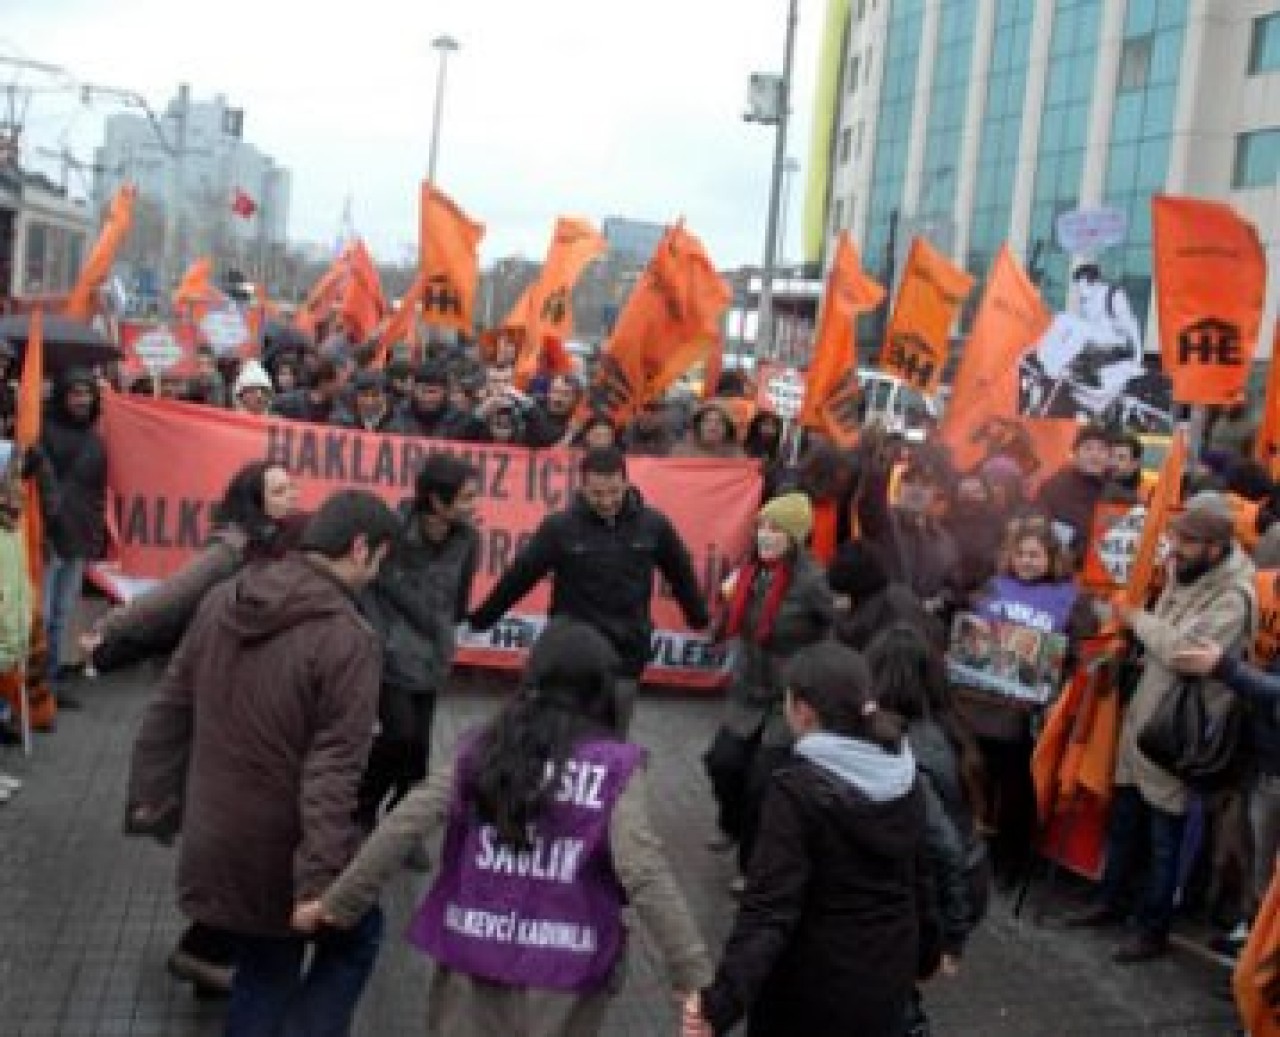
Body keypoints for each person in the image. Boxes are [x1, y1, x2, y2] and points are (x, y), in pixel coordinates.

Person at [297, 619, 713, 1037]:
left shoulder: (483, 749)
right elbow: (643, 868)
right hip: (566, 969)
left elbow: (404, 823)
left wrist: (339, 903)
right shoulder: (615, 768)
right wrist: (691, 973)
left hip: (472, 950)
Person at [126, 490, 400, 1036]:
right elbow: (333, 772)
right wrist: (318, 883)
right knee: (354, 939)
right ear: (360, 547)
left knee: (262, 968)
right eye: (381, 559)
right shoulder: (349, 639)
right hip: (283, 851)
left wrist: (151, 801)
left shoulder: (224, 598)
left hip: (215, 834)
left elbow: (170, 706)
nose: (378, 574)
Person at [684, 641, 940, 1037]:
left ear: (802, 710)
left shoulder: (796, 791)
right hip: (886, 978)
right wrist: (929, 952)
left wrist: (719, 1005)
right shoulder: (902, 772)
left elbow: (768, 912)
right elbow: (920, 875)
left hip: (810, 990)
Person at [1070, 493, 1256, 962]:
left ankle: (1152, 928)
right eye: (1176, 540)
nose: (1176, 551)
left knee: (1163, 833)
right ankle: (1111, 899)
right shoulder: (1183, 569)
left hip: (1177, 731)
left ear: (1215, 547)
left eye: (1187, 543)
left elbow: (1184, 653)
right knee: (1125, 816)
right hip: (1144, 713)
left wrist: (1136, 619)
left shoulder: (1234, 598)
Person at [469, 447, 710, 733]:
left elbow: (681, 573)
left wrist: (697, 616)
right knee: (560, 734)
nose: (606, 501)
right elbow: (519, 577)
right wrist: (483, 618)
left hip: (626, 652)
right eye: (597, 494)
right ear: (582, 487)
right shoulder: (559, 527)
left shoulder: (653, 524)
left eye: (614, 492)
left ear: (626, 483)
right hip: (572, 655)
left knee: (611, 738)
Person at [956, 515, 1096, 883]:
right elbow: (969, 633)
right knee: (976, 778)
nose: (1026, 562)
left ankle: (1011, 860)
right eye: (1020, 554)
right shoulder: (992, 587)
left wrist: (1060, 689)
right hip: (981, 704)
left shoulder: (1071, 598)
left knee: (1018, 788)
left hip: (1028, 714)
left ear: (1052, 557)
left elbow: (1080, 652)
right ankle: (973, 849)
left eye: (1034, 555)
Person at [704, 493, 833, 873]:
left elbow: (833, 629)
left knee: (764, 782)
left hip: (787, 698)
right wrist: (720, 620)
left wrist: (816, 674)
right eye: (761, 526)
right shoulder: (750, 571)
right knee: (722, 762)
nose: (765, 535)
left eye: (775, 528)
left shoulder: (812, 580)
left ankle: (751, 867)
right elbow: (730, 614)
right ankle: (731, 822)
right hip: (748, 690)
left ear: (794, 536)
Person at [82, 461, 303, 673]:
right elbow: (174, 593)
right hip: (220, 662)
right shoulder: (231, 549)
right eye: (279, 492)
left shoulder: (288, 538)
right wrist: (109, 627)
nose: (291, 496)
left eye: (291, 487)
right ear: (255, 502)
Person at [357, 454, 479, 828]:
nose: (473, 506)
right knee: (399, 735)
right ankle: (362, 807)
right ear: (438, 501)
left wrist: (445, 635)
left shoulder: (468, 540)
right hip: (389, 655)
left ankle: (401, 823)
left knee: (418, 753)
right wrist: (378, 634)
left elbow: (459, 601)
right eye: (466, 498)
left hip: (431, 658)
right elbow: (365, 584)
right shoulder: (390, 532)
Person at [1172, 637, 1280, 957]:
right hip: (1259, 764)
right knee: (1252, 862)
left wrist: (1229, 669)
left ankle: (1259, 955)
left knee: (1265, 870)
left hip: (1274, 775)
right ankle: (1251, 938)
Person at [41, 368, 107, 706]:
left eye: (87, 393)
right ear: (62, 397)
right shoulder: (44, 432)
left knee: (62, 614)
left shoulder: (95, 438)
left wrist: (94, 534)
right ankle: (35, 685)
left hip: (78, 537)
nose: (82, 400)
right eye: (75, 393)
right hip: (49, 537)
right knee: (42, 615)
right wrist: (47, 529)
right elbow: (41, 488)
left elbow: (96, 492)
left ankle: (51, 681)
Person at [857, 436, 959, 616]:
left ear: (935, 492)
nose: (916, 489)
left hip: (918, 627)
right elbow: (870, 501)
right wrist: (881, 467)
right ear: (899, 485)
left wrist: (937, 603)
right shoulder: (884, 522)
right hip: (878, 622)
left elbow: (950, 587)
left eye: (925, 483)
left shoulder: (946, 542)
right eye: (909, 480)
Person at [1034, 423, 1113, 564]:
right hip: (1060, 567)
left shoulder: (1119, 495)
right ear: (1075, 453)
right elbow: (1039, 529)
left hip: (1103, 570)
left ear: (1109, 457)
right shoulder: (1054, 488)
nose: (1095, 455)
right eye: (1088, 448)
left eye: (1102, 449)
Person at [274, 358, 344, 425]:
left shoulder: (335, 408)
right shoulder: (290, 401)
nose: (340, 386)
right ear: (324, 382)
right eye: (337, 381)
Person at [331, 370, 404, 433]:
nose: (369, 401)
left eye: (375, 395)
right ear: (356, 397)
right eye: (364, 395)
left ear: (386, 397)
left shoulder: (398, 425)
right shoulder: (342, 422)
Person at [676, 401, 744, 459]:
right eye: (707, 421)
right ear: (699, 426)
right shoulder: (682, 451)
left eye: (719, 422)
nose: (713, 426)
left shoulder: (735, 453)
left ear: (727, 428)